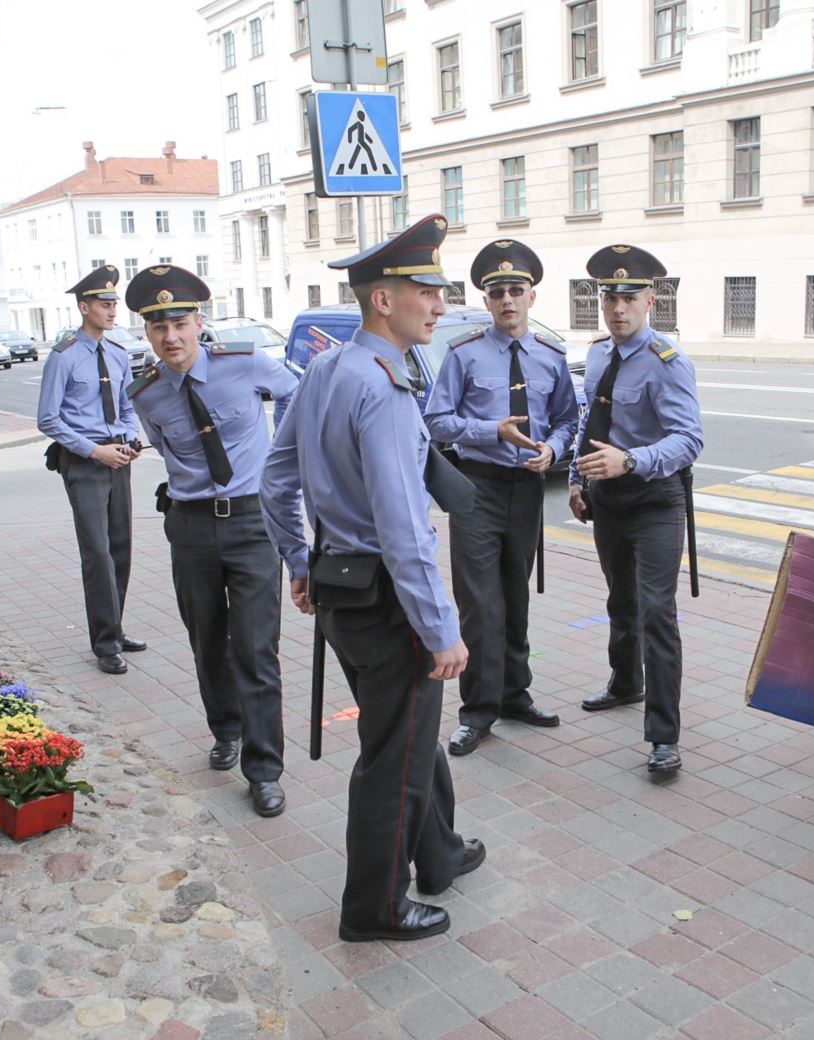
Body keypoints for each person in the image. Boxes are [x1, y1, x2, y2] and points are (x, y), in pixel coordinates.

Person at [261, 213, 484, 943]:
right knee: (393, 757)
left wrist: (299, 562)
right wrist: (440, 628)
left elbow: (275, 480)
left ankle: (439, 849)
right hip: (388, 600)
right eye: (427, 290)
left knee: (407, 737)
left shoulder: (325, 368)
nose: (440, 305)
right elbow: (402, 527)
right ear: (382, 299)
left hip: (340, 589)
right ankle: (374, 907)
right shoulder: (382, 386)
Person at [125, 264, 298, 818]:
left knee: (255, 647)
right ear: (147, 333)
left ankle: (264, 768)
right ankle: (225, 730)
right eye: (158, 327)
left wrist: (282, 463)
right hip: (192, 526)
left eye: (179, 322)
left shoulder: (245, 364)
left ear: (200, 321)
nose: (170, 337)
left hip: (252, 524)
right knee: (207, 641)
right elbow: (163, 447)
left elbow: (296, 394)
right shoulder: (148, 395)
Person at [425, 240, 579, 757]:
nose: (507, 300)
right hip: (477, 487)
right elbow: (437, 421)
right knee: (479, 604)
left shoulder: (551, 359)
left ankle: (515, 694)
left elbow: (567, 420)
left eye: (516, 290)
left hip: (526, 490)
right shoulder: (464, 354)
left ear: (532, 296)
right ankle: (477, 711)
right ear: (486, 301)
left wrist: (553, 449)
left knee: (514, 597)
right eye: (498, 293)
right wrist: (491, 430)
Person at [568, 244, 703, 778]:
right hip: (609, 501)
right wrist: (579, 479)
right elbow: (589, 423)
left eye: (629, 298)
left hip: (654, 501)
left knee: (656, 614)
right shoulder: (599, 354)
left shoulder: (669, 362)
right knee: (620, 602)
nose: (618, 308)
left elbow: (689, 440)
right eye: (609, 297)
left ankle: (664, 736)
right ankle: (625, 682)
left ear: (651, 300)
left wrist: (632, 461)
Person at [36, 265, 145, 675]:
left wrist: (128, 439)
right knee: (97, 553)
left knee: (121, 547)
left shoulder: (117, 354)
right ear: (84, 308)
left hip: (118, 460)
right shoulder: (63, 358)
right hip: (84, 464)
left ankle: (114, 629)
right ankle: (104, 644)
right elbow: (48, 419)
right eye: (104, 304)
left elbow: (127, 404)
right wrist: (95, 451)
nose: (112, 309)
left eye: (114, 302)